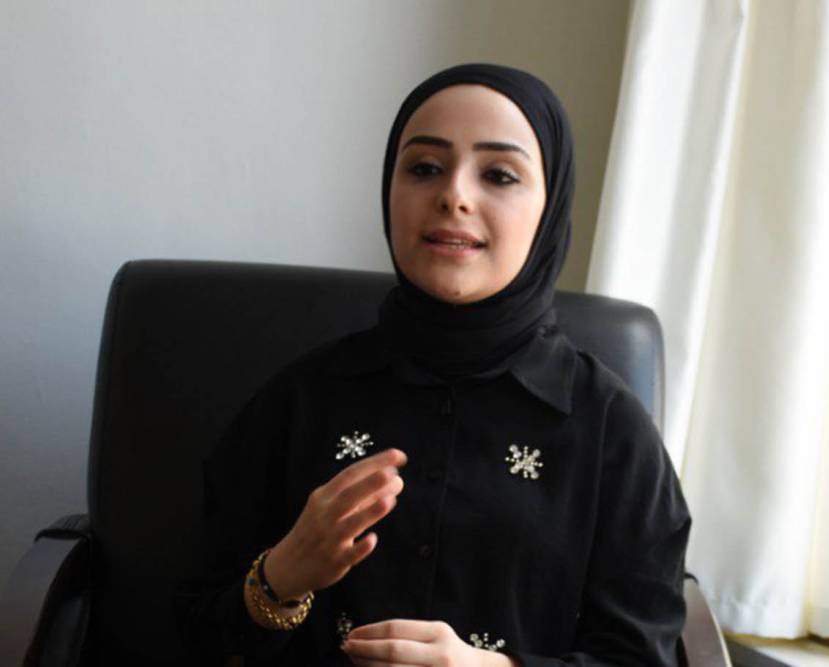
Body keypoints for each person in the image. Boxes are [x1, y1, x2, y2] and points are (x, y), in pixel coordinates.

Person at [174, 63, 691, 666]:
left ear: (549, 209)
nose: (455, 196)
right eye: (424, 168)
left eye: (499, 175)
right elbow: (190, 631)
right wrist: (282, 577)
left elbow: (643, 656)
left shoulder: (608, 428)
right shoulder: (303, 399)